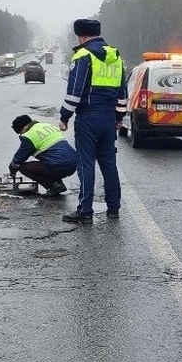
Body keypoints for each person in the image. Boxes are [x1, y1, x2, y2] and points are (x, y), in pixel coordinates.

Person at [58, 18, 127, 224]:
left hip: (88, 117)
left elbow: (74, 92)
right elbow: (123, 92)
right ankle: (113, 208)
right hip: (108, 118)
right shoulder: (115, 56)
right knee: (109, 163)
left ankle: (85, 211)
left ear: (82, 36)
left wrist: (64, 116)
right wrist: (119, 117)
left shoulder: (82, 55)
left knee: (85, 163)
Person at [8, 115, 78, 198]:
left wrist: (12, 170)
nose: (22, 135)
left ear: (23, 128)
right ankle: (57, 184)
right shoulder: (45, 126)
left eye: (21, 133)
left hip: (60, 165)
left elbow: (18, 159)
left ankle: (54, 186)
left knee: (23, 167)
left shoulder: (29, 135)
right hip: (74, 163)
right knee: (49, 162)